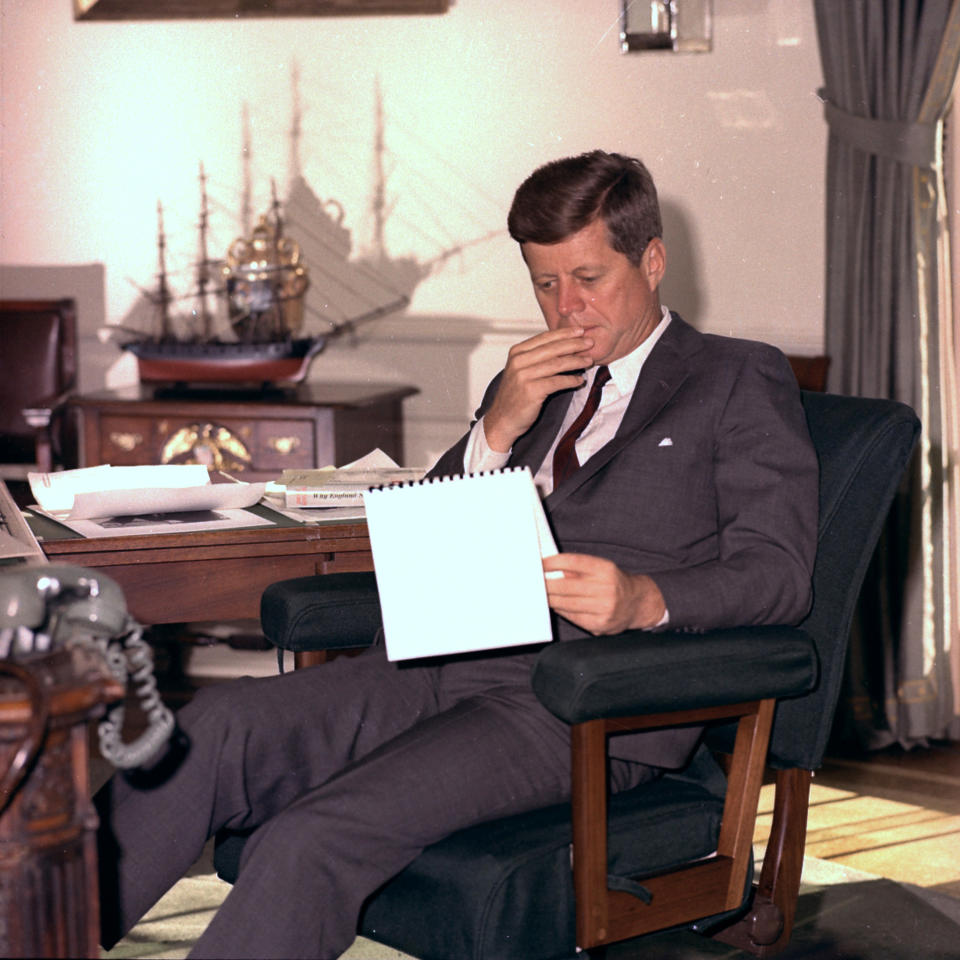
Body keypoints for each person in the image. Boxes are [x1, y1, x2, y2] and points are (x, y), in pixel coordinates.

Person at [95, 150, 818, 959]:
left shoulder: (735, 378)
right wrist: (497, 430)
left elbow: (779, 575)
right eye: (544, 284)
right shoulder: (531, 381)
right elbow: (429, 528)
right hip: (428, 665)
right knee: (209, 731)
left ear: (651, 261)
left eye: (588, 279)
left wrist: (645, 598)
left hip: (575, 703)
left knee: (311, 837)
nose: (565, 310)